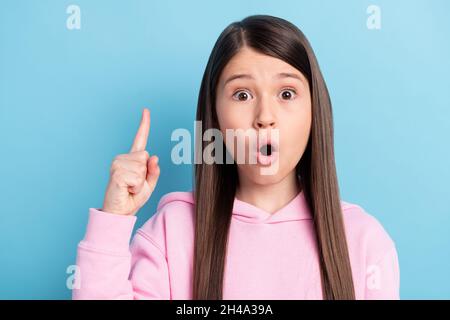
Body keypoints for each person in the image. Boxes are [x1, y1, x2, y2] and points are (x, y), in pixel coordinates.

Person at [73, 14, 399, 300]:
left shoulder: (365, 242)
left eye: (287, 93)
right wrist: (113, 221)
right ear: (215, 115)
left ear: (315, 111)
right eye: (242, 95)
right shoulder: (172, 234)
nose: (264, 116)